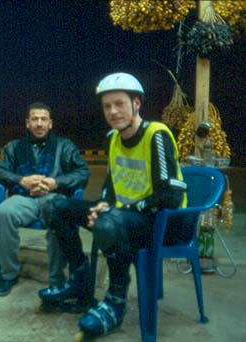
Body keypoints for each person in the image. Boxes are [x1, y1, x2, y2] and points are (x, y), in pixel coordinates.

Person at [42, 73, 188, 337]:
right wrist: (102, 203)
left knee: (109, 224)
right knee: (54, 207)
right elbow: (113, 184)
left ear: (136, 103)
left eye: (119, 103)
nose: (113, 111)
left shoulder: (156, 135)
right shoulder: (113, 138)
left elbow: (171, 195)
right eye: (107, 106)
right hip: (124, 217)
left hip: (163, 223)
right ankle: (79, 281)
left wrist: (120, 211)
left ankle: (115, 302)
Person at [0, 102, 90, 296]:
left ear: (50, 123)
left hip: (52, 197)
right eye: (34, 119)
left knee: (58, 215)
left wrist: (55, 182)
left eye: (43, 119)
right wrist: (22, 180)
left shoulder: (64, 146)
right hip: (23, 198)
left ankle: (56, 279)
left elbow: (83, 172)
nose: (39, 123)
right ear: (27, 123)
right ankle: (8, 274)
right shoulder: (15, 147)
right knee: (2, 212)